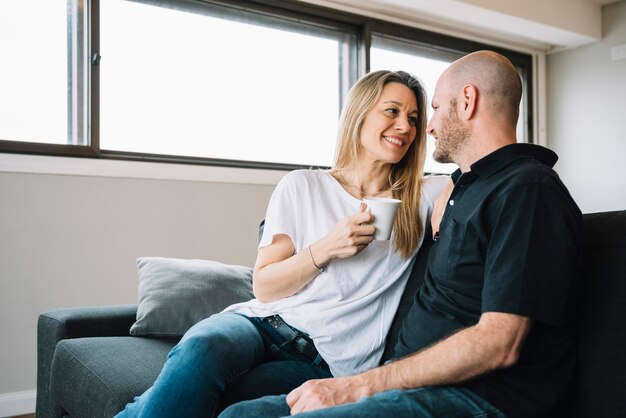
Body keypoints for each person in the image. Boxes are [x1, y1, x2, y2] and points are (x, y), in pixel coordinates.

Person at [219, 50, 583, 418]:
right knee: (237, 414)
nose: (426, 127)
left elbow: (499, 342)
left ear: (468, 101)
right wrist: (456, 184)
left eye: (436, 109)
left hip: (474, 396)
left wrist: (362, 383)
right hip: (408, 384)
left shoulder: (527, 189)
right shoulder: (472, 189)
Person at [114, 70, 449, 418]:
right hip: (262, 323)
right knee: (201, 347)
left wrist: (450, 190)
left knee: (224, 400)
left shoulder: (421, 196)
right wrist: (326, 249)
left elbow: (484, 170)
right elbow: (265, 286)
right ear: (360, 113)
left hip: (325, 358)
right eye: (392, 111)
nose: (405, 127)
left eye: (413, 118)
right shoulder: (302, 186)